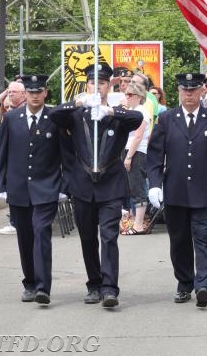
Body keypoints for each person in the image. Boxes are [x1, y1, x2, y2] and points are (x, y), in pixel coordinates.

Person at [49, 63, 143, 308]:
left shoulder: (116, 113)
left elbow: (137, 118)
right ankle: (94, 284)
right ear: (87, 85)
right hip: (82, 185)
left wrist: (110, 112)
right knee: (88, 238)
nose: (97, 86)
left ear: (108, 85)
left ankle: (110, 288)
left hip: (110, 184)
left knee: (109, 236)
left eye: (101, 82)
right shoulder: (76, 113)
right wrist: (80, 103)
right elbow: (53, 115)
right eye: (93, 82)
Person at [147, 72, 207, 308]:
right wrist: (154, 185)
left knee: (202, 238)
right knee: (179, 241)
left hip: (205, 191)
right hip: (175, 191)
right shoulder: (167, 119)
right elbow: (155, 156)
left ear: (201, 91)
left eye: (193, 90)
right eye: (185, 90)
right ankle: (184, 283)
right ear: (178, 92)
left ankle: (203, 284)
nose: (189, 95)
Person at [0, 74, 62, 305]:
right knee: (25, 237)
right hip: (19, 188)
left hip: (47, 187)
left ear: (45, 93)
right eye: (31, 92)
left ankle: (43, 287)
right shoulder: (12, 118)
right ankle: (30, 282)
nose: (35, 96)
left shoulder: (55, 118)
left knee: (42, 233)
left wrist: (64, 185)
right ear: (26, 94)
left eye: (39, 91)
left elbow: (65, 155)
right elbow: (2, 153)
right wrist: (1, 184)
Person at [0, 80, 27, 236]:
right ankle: (15, 222)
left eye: (13, 92)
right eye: (9, 92)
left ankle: (16, 222)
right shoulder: (10, 115)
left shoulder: (27, 110)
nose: (10, 94)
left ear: (23, 94)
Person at [121, 81, 151, 235]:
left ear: (139, 97)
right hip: (131, 150)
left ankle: (139, 224)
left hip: (137, 152)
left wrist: (129, 156)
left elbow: (138, 136)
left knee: (137, 186)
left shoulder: (142, 111)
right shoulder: (134, 110)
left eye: (130, 94)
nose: (127, 97)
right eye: (126, 93)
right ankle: (134, 220)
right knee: (132, 187)